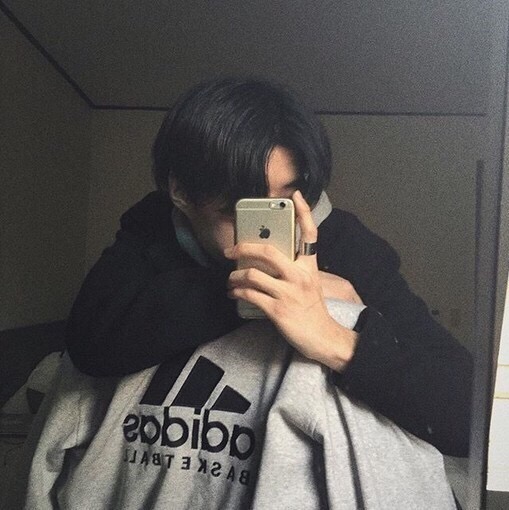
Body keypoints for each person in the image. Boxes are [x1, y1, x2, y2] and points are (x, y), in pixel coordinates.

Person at [65, 77, 472, 459]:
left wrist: (338, 339)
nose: (271, 227)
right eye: (243, 208)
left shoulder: (346, 244)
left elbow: (467, 416)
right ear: (181, 193)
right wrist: (244, 290)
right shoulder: (153, 225)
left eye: (289, 200)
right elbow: (90, 344)